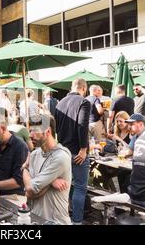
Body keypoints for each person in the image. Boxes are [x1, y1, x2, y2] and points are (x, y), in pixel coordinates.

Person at [22, 114, 72, 225]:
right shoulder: (34, 154)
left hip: (55, 222)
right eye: (30, 131)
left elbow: (29, 190)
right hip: (34, 218)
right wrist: (25, 168)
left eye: (34, 131)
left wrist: (43, 181)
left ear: (47, 131)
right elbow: (28, 191)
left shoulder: (61, 157)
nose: (30, 135)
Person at [54, 78, 90, 225]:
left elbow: (55, 127)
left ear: (72, 87)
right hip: (77, 151)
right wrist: (83, 148)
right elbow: (82, 125)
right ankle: (77, 221)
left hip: (62, 151)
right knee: (80, 187)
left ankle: (64, 218)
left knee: (66, 187)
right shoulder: (84, 102)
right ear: (84, 88)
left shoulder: (60, 103)